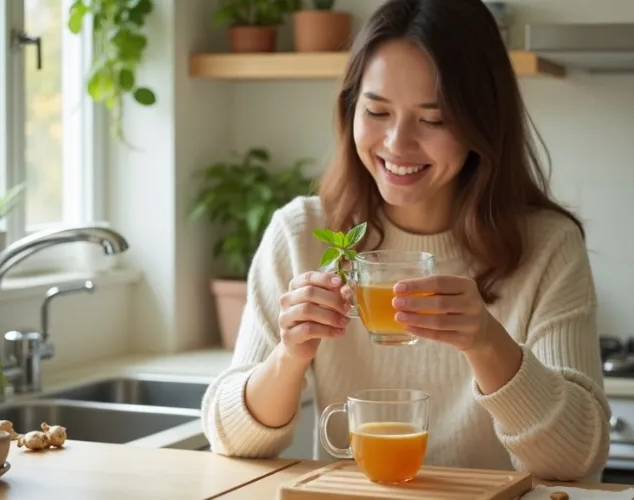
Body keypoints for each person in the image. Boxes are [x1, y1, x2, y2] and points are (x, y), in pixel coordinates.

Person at [200, 0, 611, 482]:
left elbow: (578, 458)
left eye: (433, 120)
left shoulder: (547, 247)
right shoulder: (302, 235)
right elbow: (229, 438)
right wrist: (290, 356)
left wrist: (486, 341)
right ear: (351, 109)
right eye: (376, 111)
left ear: (482, 122)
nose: (397, 143)